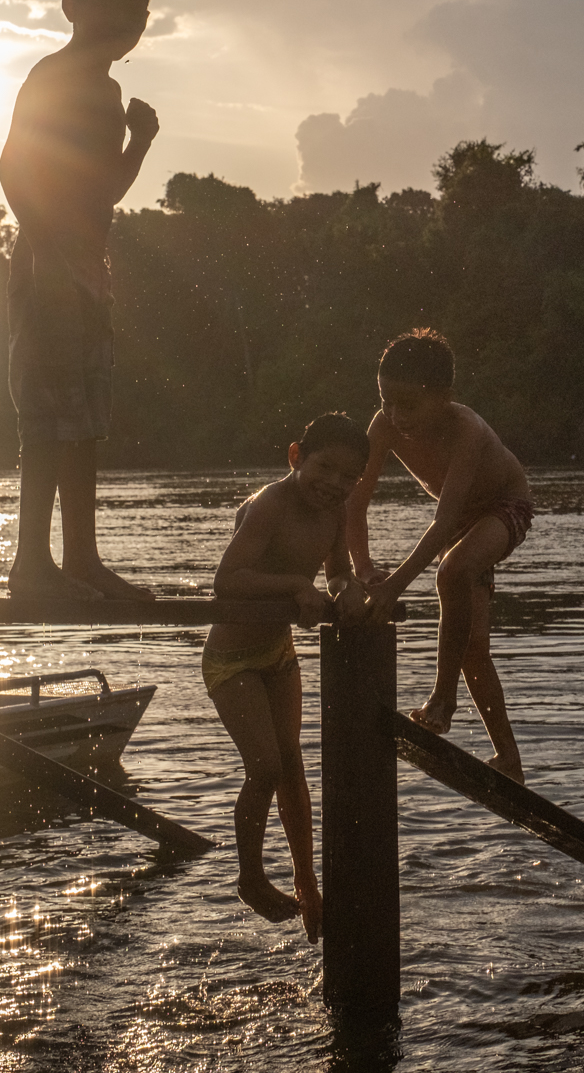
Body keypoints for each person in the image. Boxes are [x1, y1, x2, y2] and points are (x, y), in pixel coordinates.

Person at [0, 0, 159, 601]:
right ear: (71, 10)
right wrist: (44, 255)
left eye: (136, 17)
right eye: (108, 15)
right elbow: (12, 168)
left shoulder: (109, 93)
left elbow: (105, 193)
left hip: (89, 273)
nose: (123, 28)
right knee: (45, 422)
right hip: (48, 270)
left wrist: (139, 142)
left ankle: (82, 559)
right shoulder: (53, 76)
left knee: (84, 422)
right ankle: (30, 565)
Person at [207, 413, 370, 941]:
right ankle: (251, 879)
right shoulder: (269, 505)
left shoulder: (336, 510)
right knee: (265, 767)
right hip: (231, 661)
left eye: (349, 477)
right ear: (296, 456)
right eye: (325, 468)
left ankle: (306, 882)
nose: (335, 484)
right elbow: (227, 578)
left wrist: (346, 587)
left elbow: (338, 567)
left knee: (292, 766)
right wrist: (296, 585)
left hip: (277, 653)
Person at [349, 328, 535, 782]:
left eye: (409, 404)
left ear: (444, 397)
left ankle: (443, 698)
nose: (396, 415)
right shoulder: (383, 427)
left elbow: (447, 520)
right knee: (472, 648)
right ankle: (508, 758)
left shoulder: (466, 429)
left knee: (451, 573)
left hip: (504, 506)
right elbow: (355, 502)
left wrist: (396, 586)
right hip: (465, 524)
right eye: (386, 401)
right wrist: (366, 569)